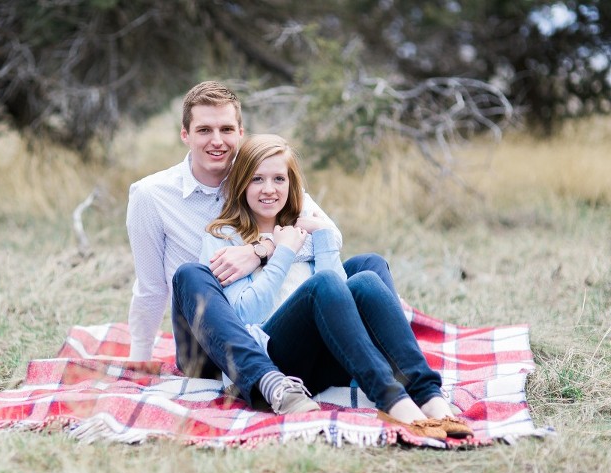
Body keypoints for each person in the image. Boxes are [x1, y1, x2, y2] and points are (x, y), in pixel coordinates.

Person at [125, 80, 403, 416]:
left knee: (368, 266)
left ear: (240, 133)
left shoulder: (260, 174)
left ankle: (394, 368)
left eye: (227, 129)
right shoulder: (151, 195)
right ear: (185, 134)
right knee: (192, 273)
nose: (217, 141)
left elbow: (328, 235)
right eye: (204, 130)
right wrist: (140, 355)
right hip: (208, 335)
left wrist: (260, 250)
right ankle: (266, 381)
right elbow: (151, 286)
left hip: (271, 322)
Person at [199, 134, 474, 440]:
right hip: (274, 364)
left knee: (365, 281)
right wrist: (283, 252)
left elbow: (342, 299)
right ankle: (392, 399)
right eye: (257, 179)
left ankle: (429, 396)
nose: (269, 189)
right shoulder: (222, 237)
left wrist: (323, 236)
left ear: (291, 184)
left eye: (279, 179)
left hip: (326, 359)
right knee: (324, 283)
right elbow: (243, 316)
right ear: (241, 183)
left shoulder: (302, 227)